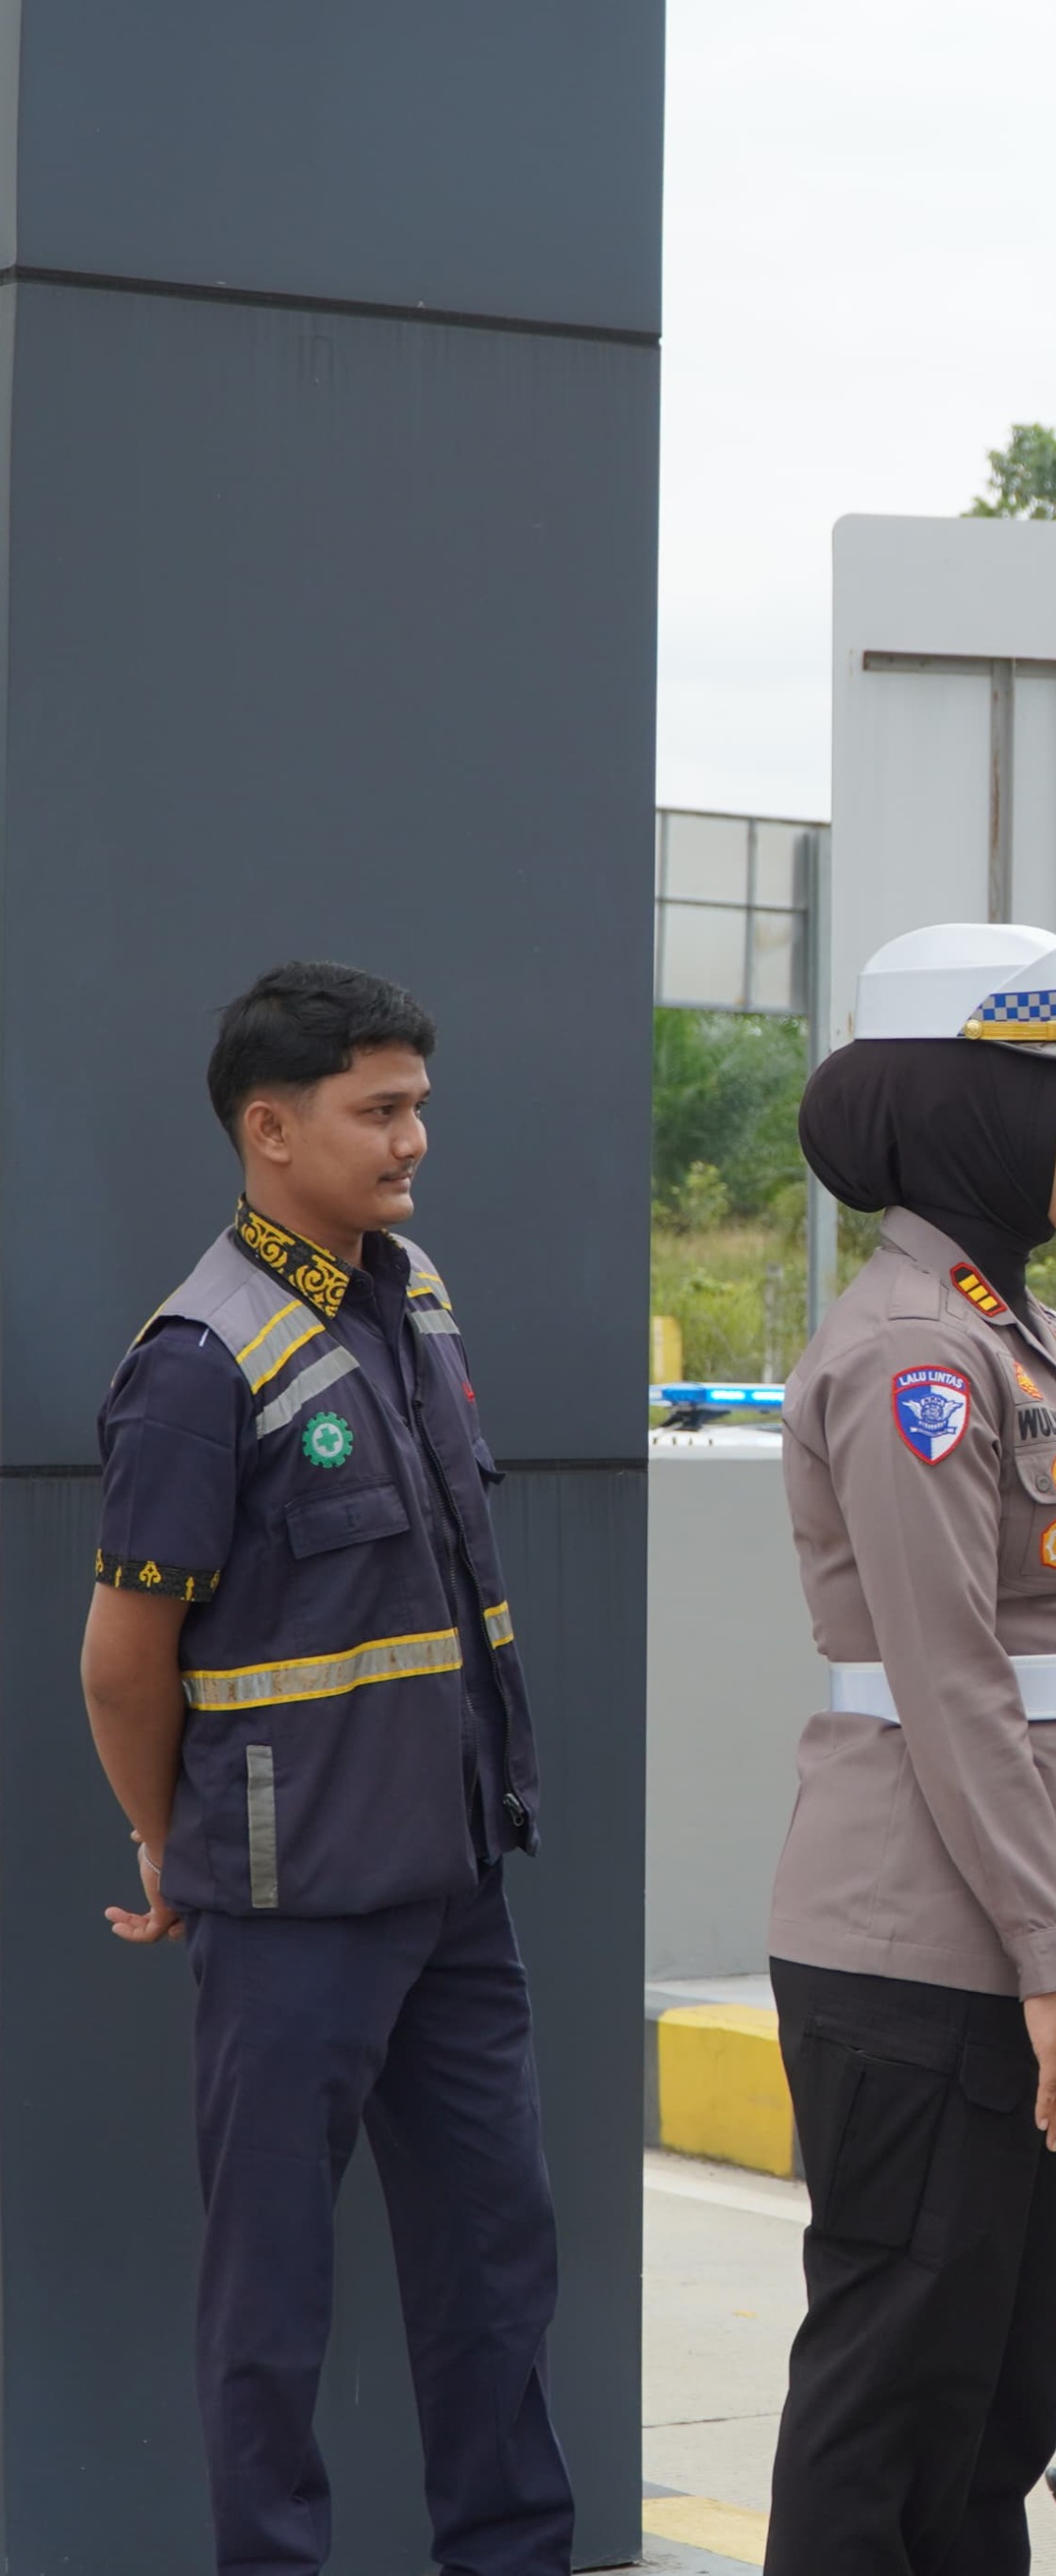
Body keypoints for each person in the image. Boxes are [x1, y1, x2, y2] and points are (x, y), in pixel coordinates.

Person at [80, 960, 568, 2576]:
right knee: (272, 2303)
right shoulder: (196, 1359)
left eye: (417, 1101)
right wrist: (171, 1845)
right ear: (270, 1129)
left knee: (497, 2268)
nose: (415, 1134)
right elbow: (122, 1660)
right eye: (381, 1108)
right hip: (290, 1914)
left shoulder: (411, 1296)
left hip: (452, 1895)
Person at [763, 922, 1056, 2576]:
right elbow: (958, 1685)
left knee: (996, 2414)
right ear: (962, 1106)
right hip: (929, 1954)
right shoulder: (918, 1356)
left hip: (1026, 1938)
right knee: (897, 2404)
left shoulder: (1025, 1335)